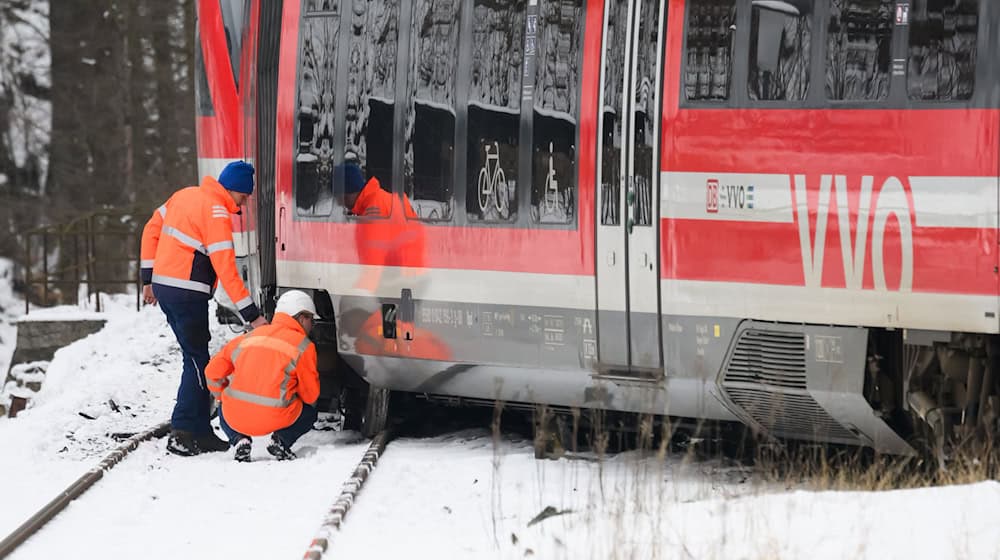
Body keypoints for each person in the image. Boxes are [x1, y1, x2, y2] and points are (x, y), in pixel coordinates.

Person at [140, 160, 268, 456]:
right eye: (244, 196)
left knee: (196, 357)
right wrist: (253, 316)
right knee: (197, 361)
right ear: (234, 189)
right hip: (187, 292)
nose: (244, 203)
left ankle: (200, 432)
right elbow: (227, 271)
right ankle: (183, 431)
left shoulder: (184, 195)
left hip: (166, 288)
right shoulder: (217, 212)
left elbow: (150, 229)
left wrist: (148, 279)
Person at [205, 290, 320, 462]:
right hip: (277, 418)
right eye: (312, 320)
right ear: (302, 318)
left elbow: (211, 372)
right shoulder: (304, 346)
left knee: (224, 405)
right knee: (309, 412)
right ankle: (281, 440)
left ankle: (239, 440)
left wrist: (221, 395)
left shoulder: (246, 338)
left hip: (235, 418)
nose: (312, 325)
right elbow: (310, 396)